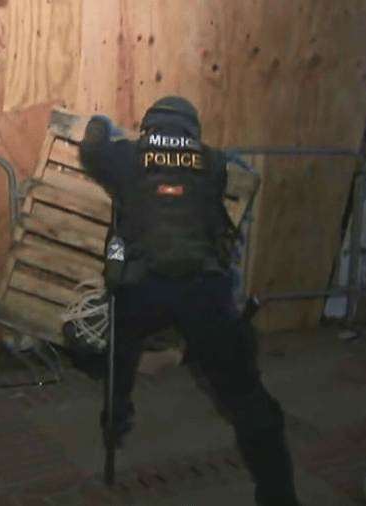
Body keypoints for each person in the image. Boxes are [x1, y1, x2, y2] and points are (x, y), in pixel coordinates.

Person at [78, 96, 302, 506]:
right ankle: (278, 495)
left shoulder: (127, 156)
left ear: (148, 126)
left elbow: (89, 153)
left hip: (142, 289)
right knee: (247, 398)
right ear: (191, 129)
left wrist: (99, 125)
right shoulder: (213, 162)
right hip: (203, 291)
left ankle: (117, 415)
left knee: (120, 352)